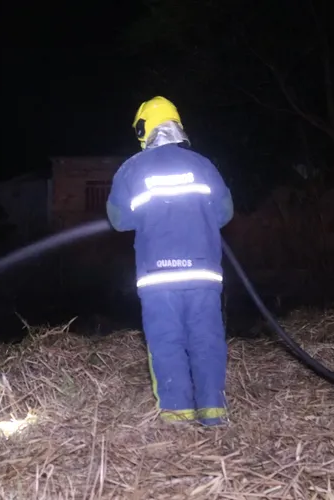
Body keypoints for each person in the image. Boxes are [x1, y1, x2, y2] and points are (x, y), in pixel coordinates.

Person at [105, 96, 235, 426]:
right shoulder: (203, 165)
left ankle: (177, 415)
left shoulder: (132, 169)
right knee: (207, 339)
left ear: (143, 129)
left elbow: (119, 220)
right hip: (203, 274)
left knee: (166, 342)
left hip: (158, 278)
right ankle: (214, 413)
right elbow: (224, 213)